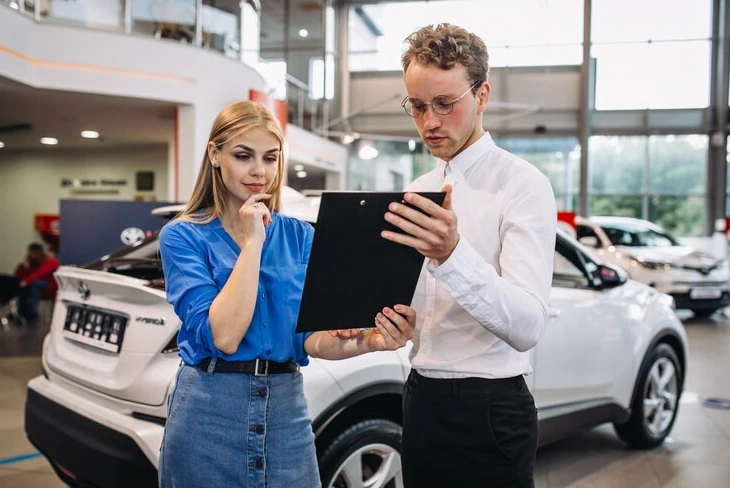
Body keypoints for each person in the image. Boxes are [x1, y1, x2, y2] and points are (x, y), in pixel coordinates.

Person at [157, 100, 416, 488]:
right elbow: (224, 336)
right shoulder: (182, 236)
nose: (259, 171)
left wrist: (369, 341)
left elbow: (310, 338)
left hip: (286, 411)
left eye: (271, 158)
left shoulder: (301, 237)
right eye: (243, 156)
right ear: (215, 154)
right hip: (209, 411)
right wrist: (252, 243)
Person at [380, 24, 557, 487]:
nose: (429, 122)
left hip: (492, 412)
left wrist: (452, 254)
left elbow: (527, 326)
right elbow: (413, 312)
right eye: (417, 106)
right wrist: (386, 323)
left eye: (445, 104)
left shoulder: (523, 185)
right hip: (419, 399)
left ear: (481, 95)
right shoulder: (417, 192)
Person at [13, 242, 59, 321]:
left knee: (34, 284)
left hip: (51, 287)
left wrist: (26, 282)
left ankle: (32, 313)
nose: (33, 255)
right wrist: (23, 266)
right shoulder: (31, 263)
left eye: (35, 253)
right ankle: (21, 312)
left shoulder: (50, 261)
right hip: (35, 286)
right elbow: (18, 276)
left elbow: (39, 273)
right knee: (23, 287)